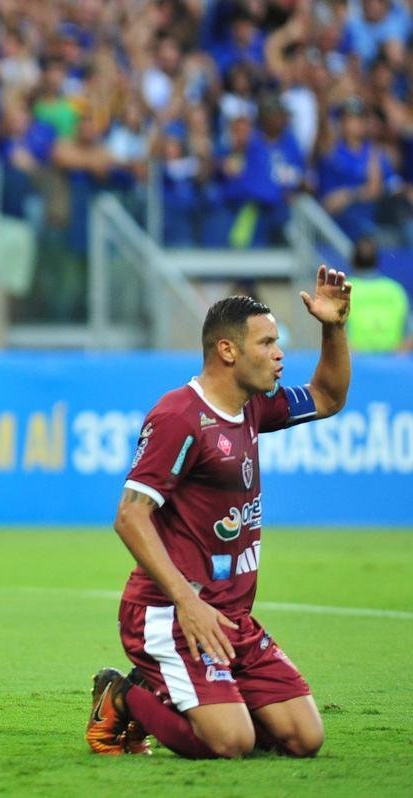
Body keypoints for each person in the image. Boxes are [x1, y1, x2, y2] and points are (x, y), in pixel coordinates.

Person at [86, 265, 352, 758]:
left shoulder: (255, 406)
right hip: (170, 613)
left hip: (230, 616)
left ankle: (213, 699)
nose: (279, 354)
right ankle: (123, 696)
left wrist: (333, 327)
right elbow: (130, 515)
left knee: (304, 738)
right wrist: (187, 601)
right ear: (227, 350)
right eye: (267, 343)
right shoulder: (179, 417)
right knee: (232, 743)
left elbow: (328, 396)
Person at [346, 237, 412, 352]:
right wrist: (398, 358)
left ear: (352, 260)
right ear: (377, 260)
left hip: (355, 362)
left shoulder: (344, 289)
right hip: (391, 363)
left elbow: (332, 331)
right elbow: (410, 332)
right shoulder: (395, 289)